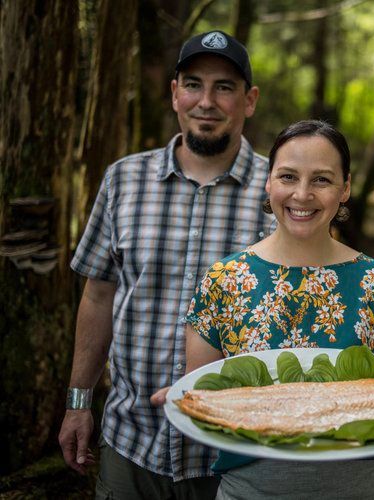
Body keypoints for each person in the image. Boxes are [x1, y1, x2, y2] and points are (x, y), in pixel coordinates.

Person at [58, 30, 274, 499]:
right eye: (194, 84)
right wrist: (78, 402)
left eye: (225, 87)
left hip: (236, 453)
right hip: (131, 444)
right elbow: (97, 298)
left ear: (249, 100)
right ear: (174, 93)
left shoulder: (279, 192)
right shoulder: (123, 180)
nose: (207, 101)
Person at [183, 120, 374, 499]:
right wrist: (181, 397)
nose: (302, 194)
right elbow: (204, 398)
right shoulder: (225, 280)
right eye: (288, 176)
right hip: (253, 492)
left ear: (345, 188)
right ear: (268, 182)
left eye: (321, 180)